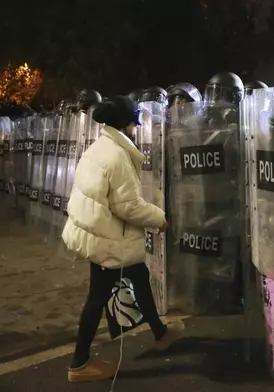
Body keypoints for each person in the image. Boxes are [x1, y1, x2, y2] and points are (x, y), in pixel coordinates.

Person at [61, 95, 185, 382]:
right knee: (96, 299)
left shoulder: (101, 147)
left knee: (139, 276)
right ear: (127, 123)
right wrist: (159, 219)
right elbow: (127, 206)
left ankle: (160, 333)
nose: (136, 127)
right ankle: (78, 364)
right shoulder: (118, 156)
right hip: (108, 239)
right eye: (134, 122)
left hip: (100, 232)